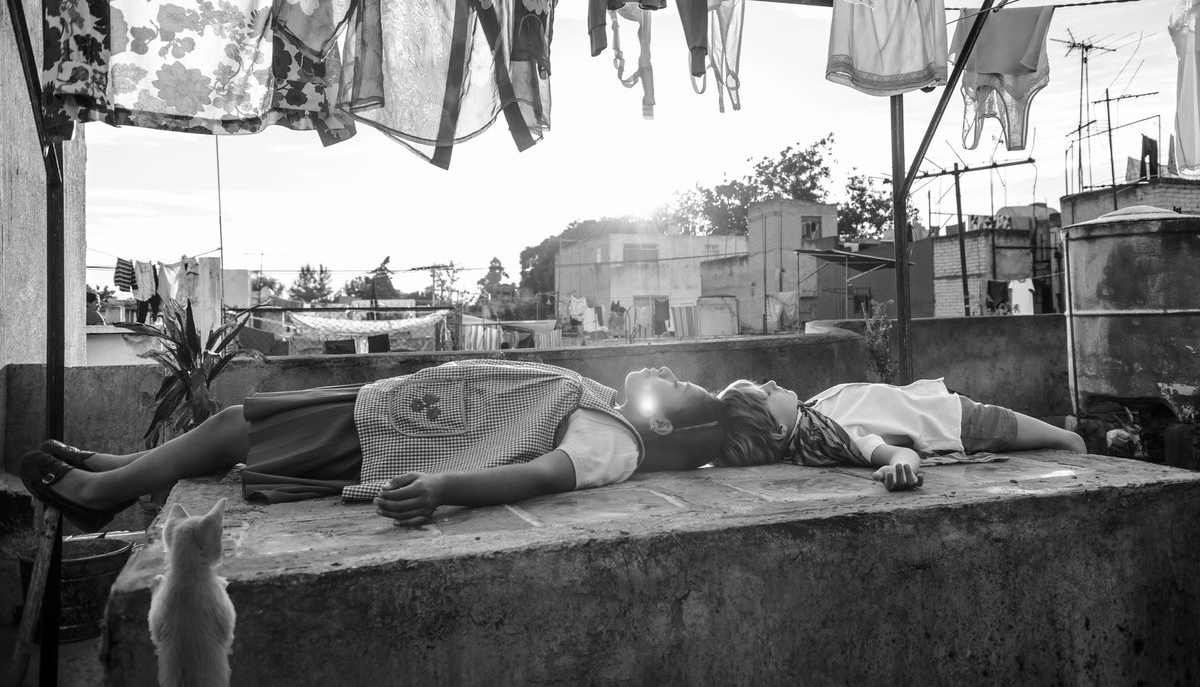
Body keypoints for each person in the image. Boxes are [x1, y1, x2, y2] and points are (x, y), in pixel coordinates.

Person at [21, 360, 726, 532]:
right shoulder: (605, 405)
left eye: (677, 387)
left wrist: (442, 489)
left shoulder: (614, 441)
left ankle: (102, 493)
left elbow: (542, 474)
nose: (667, 372)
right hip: (391, 412)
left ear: (662, 426)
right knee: (234, 423)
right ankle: (121, 468)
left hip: (391, 440)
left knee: (238, 428)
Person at [714, 378, 1086, 492]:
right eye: (764, 394)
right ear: (778, 429)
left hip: (947, 410)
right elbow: (894, 453)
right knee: (1068, 441)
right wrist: (900, 469)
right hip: (962, 424)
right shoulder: (829, 436)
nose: (771, 383)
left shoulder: (811, 420)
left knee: (1062, 440)